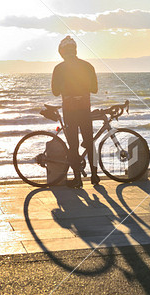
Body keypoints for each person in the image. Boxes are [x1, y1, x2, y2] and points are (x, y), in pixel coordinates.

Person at [51, 36, 99, 188]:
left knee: (73, 145)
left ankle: (78, 179)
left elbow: (55, 92)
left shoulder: (59, 68)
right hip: (84, 108)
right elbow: (95, 89)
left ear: (62, 52)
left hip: (70, 110)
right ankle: (95, 176)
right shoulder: (88, 66)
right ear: (75, 50)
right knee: (90, 143)